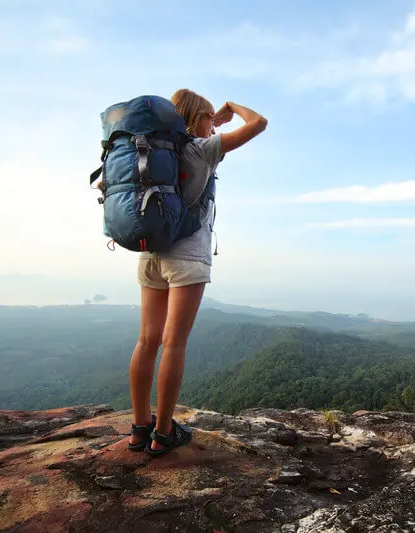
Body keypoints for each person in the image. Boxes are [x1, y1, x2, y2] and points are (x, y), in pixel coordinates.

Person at [126, 89, 267, 456]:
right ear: (198, 118)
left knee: (146, 342)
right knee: (174, 343)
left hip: (150, 256)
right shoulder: (202, 150)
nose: (212, 124)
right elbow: (259, 124)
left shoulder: (154, 151)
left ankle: (139, 429)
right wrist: (232, 106)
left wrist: (210, 116)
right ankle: (162, 432)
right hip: (187, 259)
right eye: (208, 118)